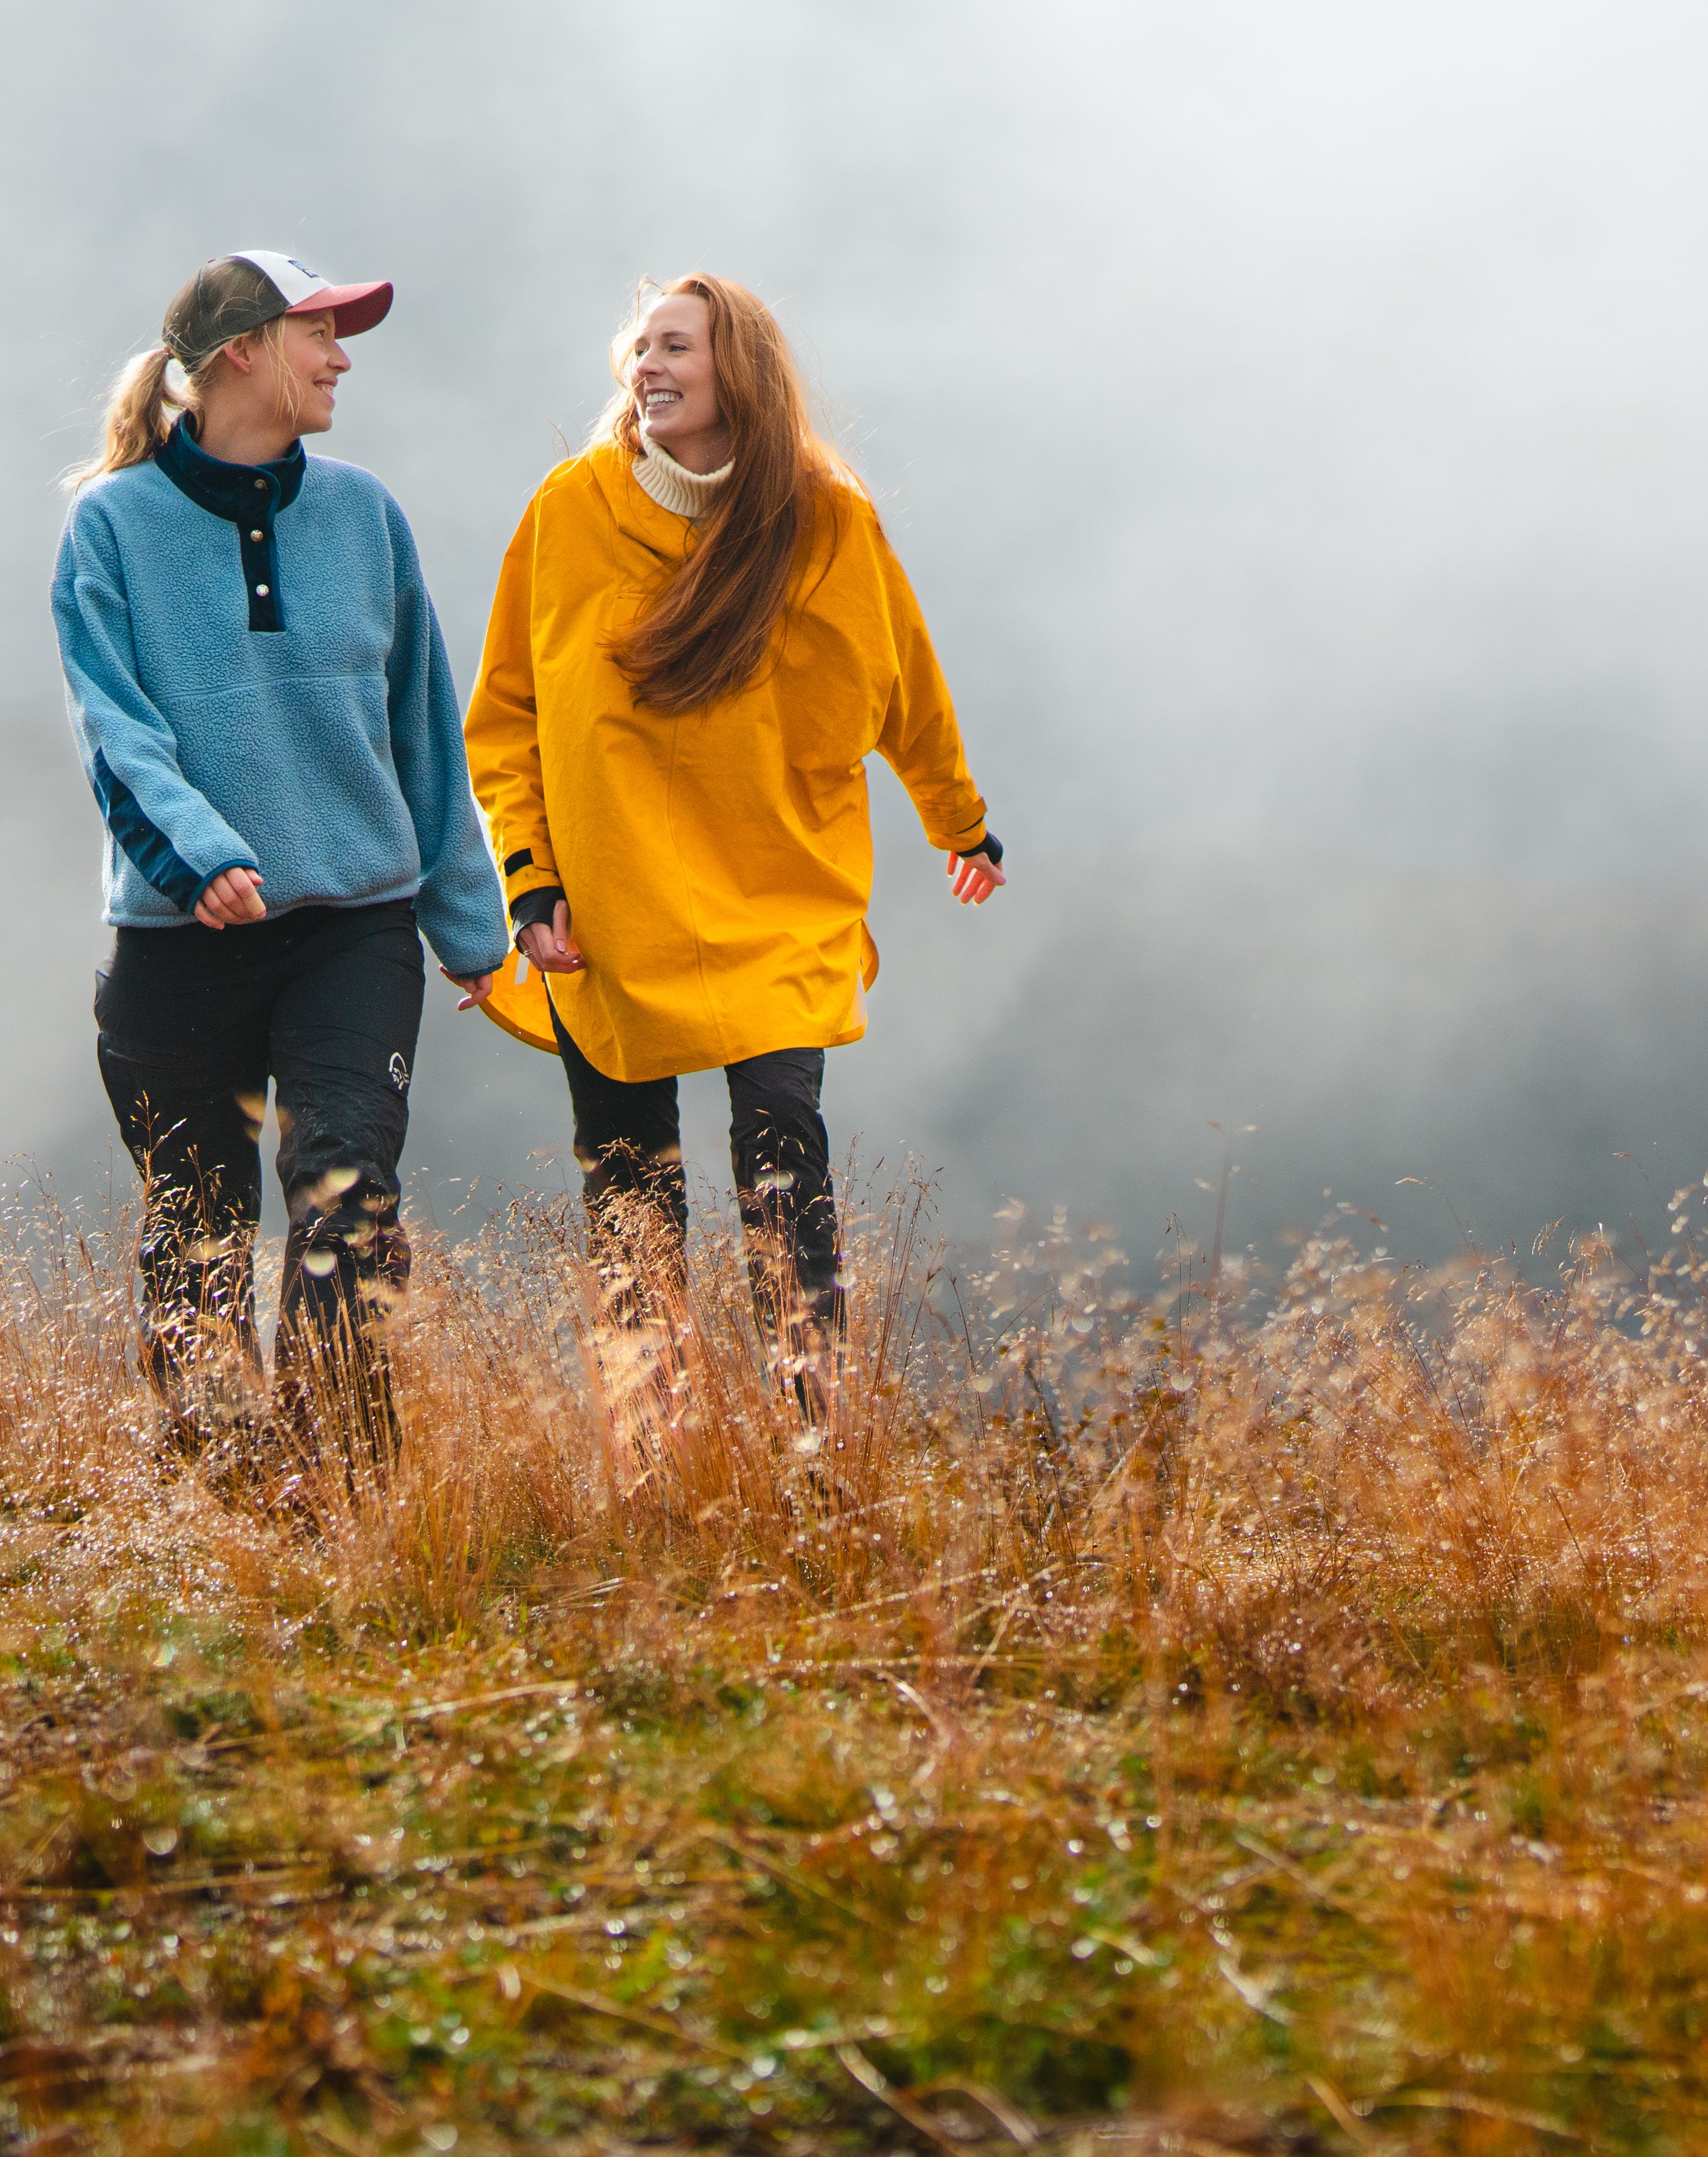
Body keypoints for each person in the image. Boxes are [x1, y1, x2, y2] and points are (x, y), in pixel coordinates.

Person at [466, 273, 1000, 1385]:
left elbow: (907, 684)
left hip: (775, 891)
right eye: (640, 348)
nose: (647, 367)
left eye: (676, 347)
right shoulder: (569, 509)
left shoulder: (827, 519)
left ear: (737, 370)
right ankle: (659, 1452)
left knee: (784, 1158)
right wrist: (528, 880)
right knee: (628, 1189)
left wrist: (961, 822)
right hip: (609, 903)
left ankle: (814, 1437)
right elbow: (506, 718)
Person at [53, 250, 508, 1475]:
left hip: (353, 924)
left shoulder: (365, 514)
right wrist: (196, 854)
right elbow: (116, 725)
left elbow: (423, 723)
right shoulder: (111, 524)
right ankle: (233, 1508)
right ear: (243, 349)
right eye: (321, 331)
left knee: (348, 1199)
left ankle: (345, 1501)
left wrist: (476, 932)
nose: (343, 356)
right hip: (175, 940)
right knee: (194, 1238)